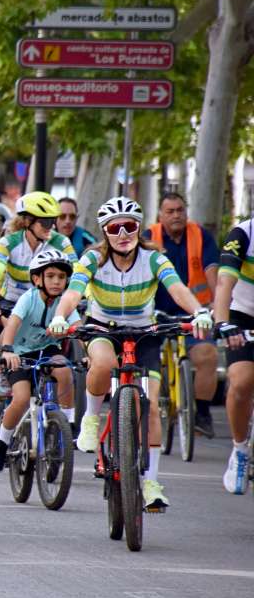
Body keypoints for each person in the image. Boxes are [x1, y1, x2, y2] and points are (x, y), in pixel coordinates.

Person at [47, 197, 213, 511]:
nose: (123, 233)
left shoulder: (154, 258)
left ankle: (150, 482)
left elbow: (177, 288)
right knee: (105, 362)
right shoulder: (92, 258)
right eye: (114, 227)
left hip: (144, 333)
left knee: (149, 409)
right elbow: (73, 292)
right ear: (105, 232)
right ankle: (92, 419)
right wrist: (60, 315)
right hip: (101, 327)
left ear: (139, 228)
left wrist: (199, 312)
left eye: (130, 226)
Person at [0, 250, 79, 471]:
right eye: (50, 276)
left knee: (64, 369)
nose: (57, 281)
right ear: (37, 279)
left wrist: (88, 354)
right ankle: (2, 441)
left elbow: (78, 329)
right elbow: (11, 325)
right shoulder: (28, 298)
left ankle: (66, 423)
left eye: (61, 276)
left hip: (46, 349)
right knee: (21, 398)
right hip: (19, 353)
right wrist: (8, 351)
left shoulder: (64, 302)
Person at [143, 191, 221, 437]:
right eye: (170, 211)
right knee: (142, 360)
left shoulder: (201, 235)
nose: (176, 215)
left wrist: (218, 308)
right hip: (155, 314)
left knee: (208, 355)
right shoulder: (148, 237)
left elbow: (213, 274)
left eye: (180, 210)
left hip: (194, 313)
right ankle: (147, 408)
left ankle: (202, 414)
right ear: (160, 215)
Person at [0, 191, 74, 322]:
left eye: (53, 221)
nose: (51, 226)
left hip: (47, 304)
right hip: (11, 303)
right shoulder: (8, 242)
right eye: (45, 222)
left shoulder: (62, 242)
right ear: (27, 222)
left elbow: (77, 272)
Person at [217, 217, 254, 494]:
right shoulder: (243, 233)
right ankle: (240, 450)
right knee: (241, 382)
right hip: (243, 316)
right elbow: (223, 284)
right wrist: (222, 321)